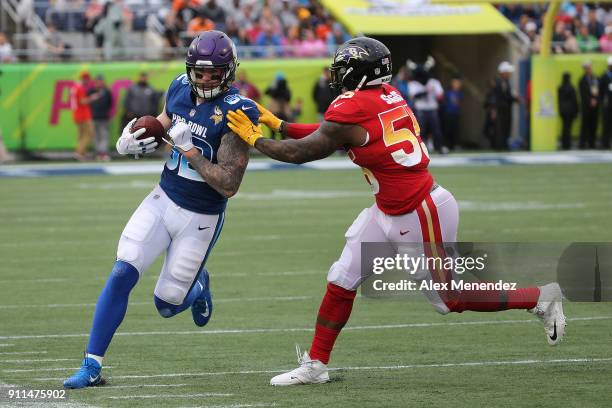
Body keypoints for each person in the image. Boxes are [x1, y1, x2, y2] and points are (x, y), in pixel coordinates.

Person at [226, 37, 566, 386]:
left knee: (449, 299)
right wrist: (279, 125)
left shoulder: (352, 107)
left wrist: (257, 139)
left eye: (343, 67)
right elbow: (333, 133)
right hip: (388, 209)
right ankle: (316, 365)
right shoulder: (386, 95)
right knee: (341, 277)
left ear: (359, 72)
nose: (337, 72)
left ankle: (540, 297)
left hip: (420, 211)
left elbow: (304, 152)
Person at [63, 30, 259, 389]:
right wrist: (133, 139)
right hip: (163, 198)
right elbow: (161, 124)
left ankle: (200, 285)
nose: (203, 80)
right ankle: (91, 365)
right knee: (123, 270)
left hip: (200, 216)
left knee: (167, 304)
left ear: (228, 72)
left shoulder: (238, 110)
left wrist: (193, 153)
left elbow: (229, 185)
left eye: (212, 73)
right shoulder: (179, 88)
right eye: (198, 72)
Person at [492, 61, 519, 150]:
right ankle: (500, 146)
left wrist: (515, 98)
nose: (509, 74)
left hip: (507, 109)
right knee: (501, 128)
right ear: (503, 73)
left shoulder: (507, 83)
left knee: (507, 127)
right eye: (508, 73)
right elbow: (503, 97)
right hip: (501, 110)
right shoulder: (500, 83)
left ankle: (504, 145)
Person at [88, 74, 113, 161]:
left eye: (101, 81)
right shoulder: (91, 91)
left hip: (103, 117)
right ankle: (98, 153)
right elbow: (87, 104)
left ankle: (103, 153)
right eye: (98, 81)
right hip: (93, 117)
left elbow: (110, 103)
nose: (100, 83)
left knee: (104, 136)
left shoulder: (106, 92)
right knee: (95, 137)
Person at [71, 72, 95, 161]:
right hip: (83, 115)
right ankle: (79, 152)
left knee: (81, 136)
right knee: (89, 134)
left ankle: (82, 153)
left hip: (77, 114)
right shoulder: (79, 88)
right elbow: (82, 101)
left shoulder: (74, 87)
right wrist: (92, 98)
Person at [579, 60, 599, 149]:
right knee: (585, 125)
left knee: (593, 125)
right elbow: (583, 93)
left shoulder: (595, 78)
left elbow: (596, 91)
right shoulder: (582, 80)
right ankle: (582, 144)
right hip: (586, 106)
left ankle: (592, 143)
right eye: (587, 68)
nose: (589, 69)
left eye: (589, 67)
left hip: (594, 106)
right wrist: (590, 100)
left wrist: (595, 100)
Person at [557, 72, 579, 150]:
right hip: (570, 111)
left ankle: (564, 144)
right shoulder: (571, 88)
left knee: (564, 128)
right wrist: (577, 111)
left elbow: (559, 100)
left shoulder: (560, 88)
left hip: (563, 111)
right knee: (568, 128)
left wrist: (560, 110)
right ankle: (568, 144)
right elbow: (575, 100)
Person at [442, 77, 463, 151]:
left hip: (456, 113)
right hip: (448, 113)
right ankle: (446, 145)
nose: (456, 85)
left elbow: (459, 102)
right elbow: (444, 102)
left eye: (458, 83)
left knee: (456, 129)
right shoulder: (448, 92)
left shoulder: (459, 93)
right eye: (455, 83)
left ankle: (456, 145)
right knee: (447, 129)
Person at [600, 56, 612, 150]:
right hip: (607, 104)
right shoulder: (604, 77)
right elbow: (600, 91)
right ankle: (605, 143)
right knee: (606, 124)